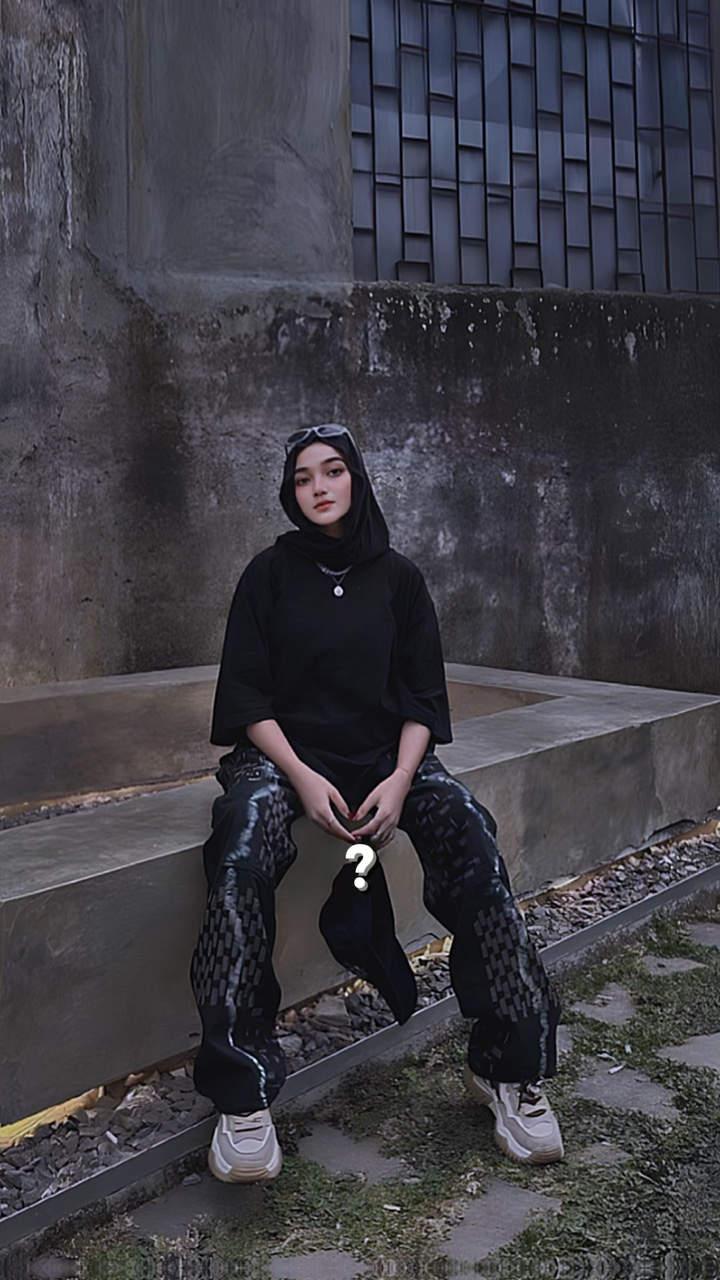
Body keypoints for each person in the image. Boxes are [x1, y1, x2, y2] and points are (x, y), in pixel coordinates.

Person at [190, 424, 563, 1183]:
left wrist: (398, 780)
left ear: (356, 480)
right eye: (302, 478)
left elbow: (422, 699)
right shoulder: (267, 575)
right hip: (283, 756)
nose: (318, 488)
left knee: (469, 832)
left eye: (332, 472)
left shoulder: (400, 579)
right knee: (241, 843)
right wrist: (301, 776)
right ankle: (242, 1090)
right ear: (290, 494)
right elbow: (248, 699)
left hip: (387, 756)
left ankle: (509, 1067)